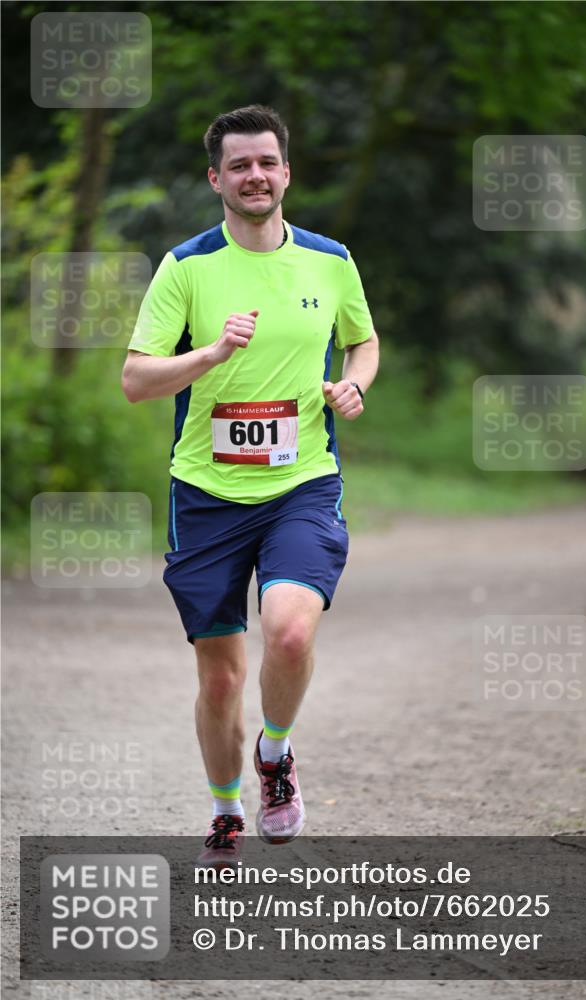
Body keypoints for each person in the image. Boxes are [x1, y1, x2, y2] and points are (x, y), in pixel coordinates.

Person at [122, 105, 379, 863]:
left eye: (267, 162)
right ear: (216, 179)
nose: (255, 176)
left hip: (302, 482)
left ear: (286, 172)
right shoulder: (186, 267)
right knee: (220, 679)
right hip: (206, 494)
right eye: (239, 165)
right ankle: (225, 808)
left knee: (290, 632)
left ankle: (275, 753)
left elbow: (362, 340)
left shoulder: (330, 260)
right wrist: (208, 354)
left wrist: (354, 383)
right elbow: (136, 380)